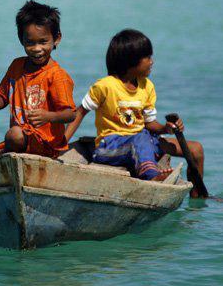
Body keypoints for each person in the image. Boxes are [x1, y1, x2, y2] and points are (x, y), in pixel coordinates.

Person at [64, 29, 208, 195]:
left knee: (196, 150)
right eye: (147, 57)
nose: (152, 62)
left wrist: (166, 128)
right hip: (109, 146)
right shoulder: (105, 86)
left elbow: (149, 124)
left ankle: (198, 197)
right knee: (140, 138)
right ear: (130, 61)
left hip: (144, 140)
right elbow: (80, 112)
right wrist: (62, 144)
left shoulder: (147, 86)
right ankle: (152, 176)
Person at [0, 0, 76, 160]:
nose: (37, 49)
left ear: (56, 38)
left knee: (14, 135)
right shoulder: (16, 66)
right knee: (13, 136)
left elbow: (70, 114)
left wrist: (48, 116)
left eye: (43, 42)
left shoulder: (57, 75)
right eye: (30, 43)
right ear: (21, 39)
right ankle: (7, 152)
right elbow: (3, 97)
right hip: (22, 140)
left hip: (46, 144)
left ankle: (4, 153)